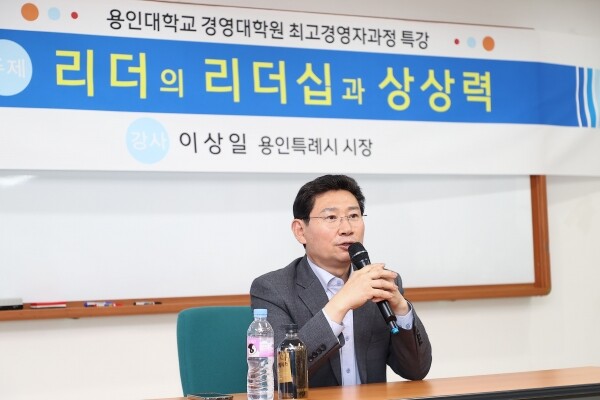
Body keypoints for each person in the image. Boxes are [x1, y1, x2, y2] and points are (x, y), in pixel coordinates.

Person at [250, 174, 432, 388]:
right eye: (331, 217)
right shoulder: (273, 289)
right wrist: (341, 303)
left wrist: (402, 310)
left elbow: (416, 370)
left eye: (354, 215)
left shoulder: (379, 282)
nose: (347, 228)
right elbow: (279, 375)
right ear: (300, 231)